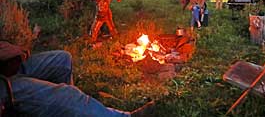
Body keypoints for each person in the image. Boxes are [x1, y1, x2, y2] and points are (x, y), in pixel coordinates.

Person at [0, 40, 154, 117]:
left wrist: (9, 51)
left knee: (62, 59)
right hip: (3, 83)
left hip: (4, 67)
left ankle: (72, 108)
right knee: (66, 94)